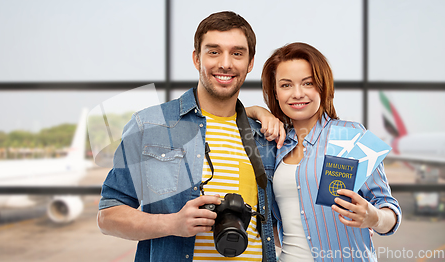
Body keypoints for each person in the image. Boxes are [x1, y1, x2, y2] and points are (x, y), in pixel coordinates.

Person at [97, 11, 285, 262]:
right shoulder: (149, 125)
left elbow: (280, 226)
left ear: (250, 63)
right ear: (197, 59)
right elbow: (108, 216)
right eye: (214, 51)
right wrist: (173, 224)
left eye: (237, 53)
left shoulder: (265, 137)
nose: (226, 63)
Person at [247, 42, 401, 261]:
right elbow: (222, 119)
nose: (297, 94)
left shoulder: (349, 135)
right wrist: (258, 112)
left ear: (322, 86)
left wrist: (373, 217)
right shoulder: (274, 145)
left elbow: (389, 209)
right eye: (286, 85)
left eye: (307, 83)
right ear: (275, 92)